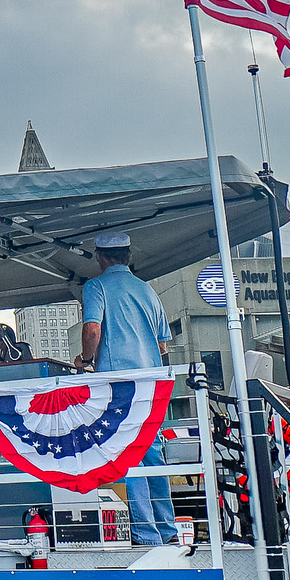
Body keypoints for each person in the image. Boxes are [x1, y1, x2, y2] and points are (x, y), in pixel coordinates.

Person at [75, 229, 178, 548]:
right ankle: (168, 530)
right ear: (128, 257)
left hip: (120, 385)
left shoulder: (97, 286)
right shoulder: (147, 290)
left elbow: (93, 328)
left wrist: (84, 359)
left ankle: (145, 534)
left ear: (101, 258)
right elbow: (162, 344)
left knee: (127, 453)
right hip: (153, 385)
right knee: (153, 455)